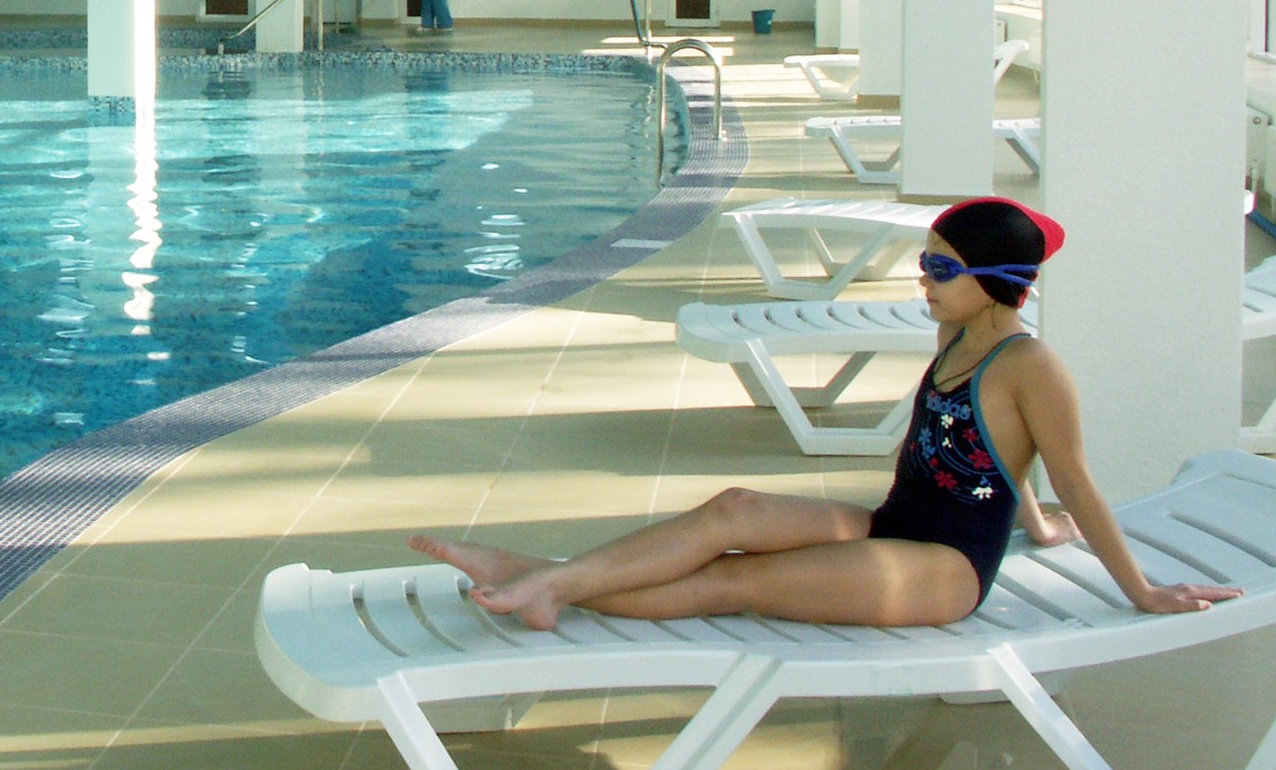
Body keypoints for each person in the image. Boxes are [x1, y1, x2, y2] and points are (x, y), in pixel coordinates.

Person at [409, 198, 1241, 630]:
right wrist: (1038, 522)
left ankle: (536, 578)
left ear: (993, 281)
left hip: (946, 567)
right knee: (732, 510)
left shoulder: (1032, 365)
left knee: (735, 582)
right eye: (925, 262)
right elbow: (1002, 455)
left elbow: (1076, 478)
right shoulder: (955, 334)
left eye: (940, 268)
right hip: (892, 521)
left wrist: (1141, 589)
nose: (922, 279)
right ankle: (543, 580)